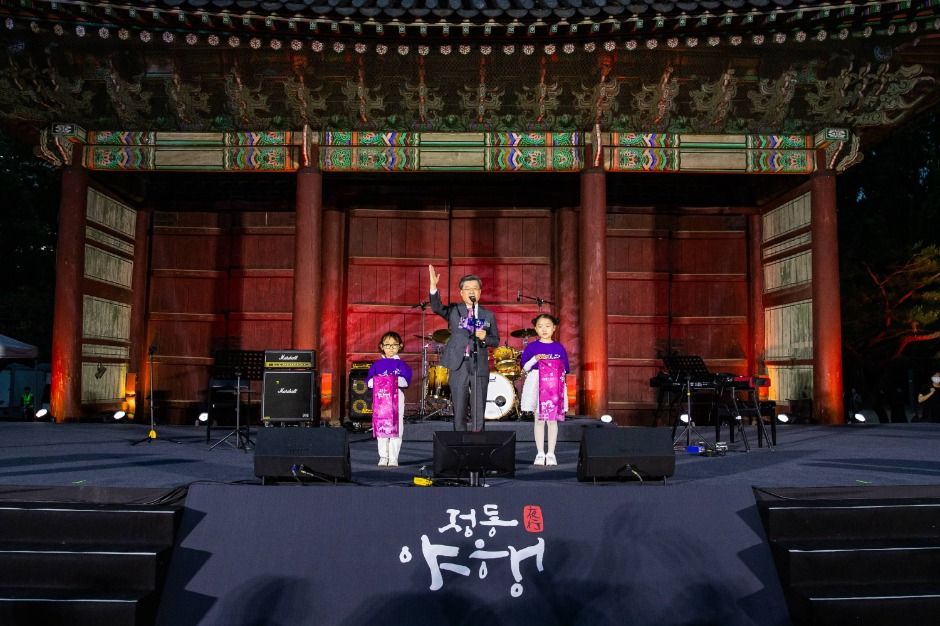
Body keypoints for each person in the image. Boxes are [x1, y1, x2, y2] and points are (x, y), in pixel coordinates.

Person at [429, 266, 499, 431]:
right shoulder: (455, 310)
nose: (471, 291)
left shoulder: (488, 315)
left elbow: (495, 340)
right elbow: (437, 307)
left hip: (478, 363)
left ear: (480, 292)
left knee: (478, 405)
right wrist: (433, 287)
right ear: (461, 293)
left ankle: (478, 438)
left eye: (475, 288)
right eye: (467, 288)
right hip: (458, 363)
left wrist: (485, 337)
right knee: (459, 405)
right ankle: (459, 439)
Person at [519, 314, 571, 466]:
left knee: (552, 420)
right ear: (535, 329)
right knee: (539, 419)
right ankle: (540, 453)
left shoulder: (559, 347)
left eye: (548, 326)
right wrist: (535, 359)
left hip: (553, 384)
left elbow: (565, 369)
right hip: (537, 383)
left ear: (554, 328)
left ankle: (551, 453)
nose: (544, 329)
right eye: (540, 326)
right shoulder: (532, 347)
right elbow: (525, 367)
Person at [367, 332, 412, 466]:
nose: (391, 348)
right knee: (381, 425)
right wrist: (381, 380)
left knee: (397, 426)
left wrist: (392, 379)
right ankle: (383, 456)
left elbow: (405, 382)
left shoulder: (402, 365)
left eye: (394, 345)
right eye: (387, 345)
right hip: (381, 398)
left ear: (400, 346)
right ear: (382, 346)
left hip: (397, 397)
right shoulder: (376, 365)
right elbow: (369, 382)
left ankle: (393, 457)